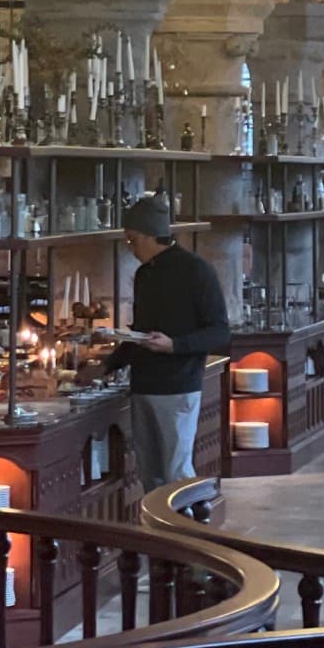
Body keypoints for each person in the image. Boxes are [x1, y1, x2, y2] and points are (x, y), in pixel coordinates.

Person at [104, 192, 232, 492]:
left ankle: (184, 534)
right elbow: (140, 332)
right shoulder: (143, 275)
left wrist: (174, 345)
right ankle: (158, 535)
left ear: (150, 235)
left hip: (178, 386)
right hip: (143, 385)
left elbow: (219, 333)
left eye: (132, 239)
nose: (131, 247)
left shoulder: (196, 271)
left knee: (176, 473)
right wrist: (108, 365)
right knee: (150, 476)